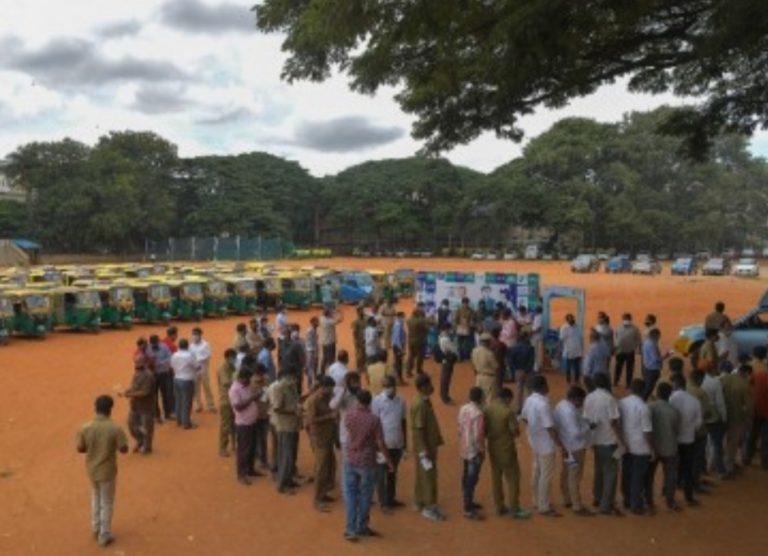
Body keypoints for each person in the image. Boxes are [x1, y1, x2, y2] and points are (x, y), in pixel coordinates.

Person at [76, 395, 129, 547]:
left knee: (95, 497)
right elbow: (124, 449)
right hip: (107, 471)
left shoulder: (86, 427)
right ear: (110, 409)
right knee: (106, 502)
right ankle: (104, 535)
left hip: (91, 469)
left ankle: (96, 527)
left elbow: (80, 448)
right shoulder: (115, 428)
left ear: (95, 408)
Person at [343, 389, 394, 542]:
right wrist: (389, 460)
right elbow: (380, 442)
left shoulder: (349, 416)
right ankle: (362, 526)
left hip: (351, 458)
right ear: (370, 402)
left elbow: (349, 434)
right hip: (367, 461)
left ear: (357, 401)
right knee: (365, 495)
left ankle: (351, 529)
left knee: (351, 495)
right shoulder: (374, 420)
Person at [483, 387, 530, 519]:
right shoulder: (508, 412)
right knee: (513, 478)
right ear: (507, 398)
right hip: (506, 448)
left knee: (496, 477)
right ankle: (514, 507)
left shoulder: (488, 408)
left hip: (493, 447)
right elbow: (514, 431)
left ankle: (499, 506)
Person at [583, 372, 625, 516]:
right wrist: (621, 441)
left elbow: (587, 419)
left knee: (599, 469)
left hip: (596, 440)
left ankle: (598, 497)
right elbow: (614, 422)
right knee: (611, 473)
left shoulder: (589, 397)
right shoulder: (609, 399)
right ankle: (606, 504)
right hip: (609, 440)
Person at [521, 375, 562, 517]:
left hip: (534, 440)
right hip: (546, 443)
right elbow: (549, 427)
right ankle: (544, 506)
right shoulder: (543, 404)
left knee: (537, 470)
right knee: (546, 474)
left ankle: (536, 500)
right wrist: (559, 442)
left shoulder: (529, 400)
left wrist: (534, 429)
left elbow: (525, 418)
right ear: (544, 386)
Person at [553, 385, 592, 516]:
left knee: (566, 473)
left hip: (566, 447)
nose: (582, 404)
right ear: (575, 399)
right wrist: (589, 426)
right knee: (575, 476)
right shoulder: (570, 412)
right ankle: (577, 505)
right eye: (581, 400)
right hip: (576, 448)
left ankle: (567, 499)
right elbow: (576, 433)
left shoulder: (560, 405)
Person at [411, 374, 445, 521]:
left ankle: (419, 501)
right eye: (429, 384)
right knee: (428, 476)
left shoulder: (423, 400)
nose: (432, 387)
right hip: (425, 447)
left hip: (425, 446)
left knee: (422, 474)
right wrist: (425, 450)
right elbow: (419, 429)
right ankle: (430, 507)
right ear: (423, 387)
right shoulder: (420, 404)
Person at [619, 378, 654, 515]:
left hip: (626, 444)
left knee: (627, 473)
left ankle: (627, 500)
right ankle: (636, 505)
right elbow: (647, 431)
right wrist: (652, 449)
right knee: (638, 477)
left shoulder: (622, 403)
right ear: (643, 391)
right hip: (640, 446)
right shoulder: (643, 407)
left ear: (630, 389)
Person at [372, 375, 407, 512]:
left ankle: (391, 498)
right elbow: (374, 423)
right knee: (381, 474)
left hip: (397, 442)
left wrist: (405, 443)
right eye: (386, 386)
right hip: (382, 444)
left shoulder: (401, 401)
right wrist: (375, 443)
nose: (389, 389)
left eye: (391, 386)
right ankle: (383, 502)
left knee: (393, 472)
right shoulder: (377, 401)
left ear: (395, 386)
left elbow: (403, 421)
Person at [647, 382, 682, 511]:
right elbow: (677, 430)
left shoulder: (650, 407)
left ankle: (648, 500)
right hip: (669, 447)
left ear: (657, 393)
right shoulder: (674, 411)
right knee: (670, 475)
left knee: (649, 475)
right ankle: (670, 500)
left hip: (652, 447)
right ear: (669, 394)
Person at [669, 373, 703, 506]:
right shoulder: (694, 401)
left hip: (674, 439)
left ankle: (669, 494)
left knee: (671, 467)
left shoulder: (671, 398)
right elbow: (698, 423)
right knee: (688, 468)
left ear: (675, 384)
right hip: (689, 439)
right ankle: (689, 496)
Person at [305, 376, 337, 511]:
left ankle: (323, 493)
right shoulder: (314, 400)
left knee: (330, 466)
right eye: (330, 388)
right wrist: (329, 416)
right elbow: (311, 420)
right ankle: (317, 499)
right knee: (321, 468)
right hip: (319, 437)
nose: (331, 390)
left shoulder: (328, 397)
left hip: (328, 435)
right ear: (323, 387)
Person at [458, 387, 486, 519]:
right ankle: (468, 508)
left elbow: (459, 426)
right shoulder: (479, 413)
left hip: (464, 447)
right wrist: (481, 450)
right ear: (480, 398)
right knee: (472, 478)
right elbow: (478, 436)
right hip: (474, 451)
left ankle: (468, 501)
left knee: (466, 477)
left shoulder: (463, 409)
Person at [272, 370, 302, 494]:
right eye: (293, 377)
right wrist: (293, 412)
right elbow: (277, 408)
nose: (295, 380)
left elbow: (296, 401)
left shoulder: (292, 387)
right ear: (287, 376)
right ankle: (282, 485)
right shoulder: (280, 388)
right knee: (286, 455)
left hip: (293, 425)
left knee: (291, 455)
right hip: (285, 426)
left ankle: (289, 479)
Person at [229, 369, 261, 485]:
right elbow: (238, 407)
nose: (249, 381)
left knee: (252, 448)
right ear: (242, 378)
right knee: (243, 450)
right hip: (243, 423)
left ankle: (250, 469)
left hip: (252, 421)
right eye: (248, 379)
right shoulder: (234, 389)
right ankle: (241, 474)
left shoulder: (246, 386)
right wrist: (253, 398)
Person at [721, 364, 753, 475]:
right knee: (732, 443)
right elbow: (748, 406)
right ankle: (728, 467)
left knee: (719, 441)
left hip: (721, 416)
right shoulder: (744, 384)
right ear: (747, 373)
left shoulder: (723, 379)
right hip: (736, 417)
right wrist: (748, 419)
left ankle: (715, 464)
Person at [121, 360, 156, 454]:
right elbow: (134, 387)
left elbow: (145, 392)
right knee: (132, 425)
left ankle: (147, 446)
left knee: (147, 427)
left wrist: (130, 394)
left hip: (146, 406)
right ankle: (140, 441)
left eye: (139, 364)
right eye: (136, 364)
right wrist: (127, 391)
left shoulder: (148, 376)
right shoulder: (136, 374)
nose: (137, 366)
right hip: (135, 405)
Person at [701, 359, 728, 478]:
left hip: (701, 416)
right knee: (716, 443)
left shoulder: (697, 381)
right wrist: (724, 417)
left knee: (705, 442)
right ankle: (719, 469)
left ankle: (706, 466)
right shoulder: (715, 382)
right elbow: (720, 402)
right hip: (714, 417)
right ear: (712, 369)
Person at [746, 347, 768, 469]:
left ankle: (747, 458)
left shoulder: (749, 368)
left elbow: (746, 386)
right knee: (766, 437)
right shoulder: (766, 368)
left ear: (753, 354)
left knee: (752, 434)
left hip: (754, 407)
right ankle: (765, 462)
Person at [171, 339, 198, 429]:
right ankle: (186, 423)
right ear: (187, 346)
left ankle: (179, 420)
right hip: (187, 380)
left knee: (178, 400)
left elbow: (172, 366)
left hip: (176, 379)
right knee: (187, 402)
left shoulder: (174, 355)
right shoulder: (189, 355)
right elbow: (196, 366)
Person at [507, 330, 535, 412]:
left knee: (519, 390)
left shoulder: (514, 348)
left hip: (518, 371)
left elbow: (510, 361)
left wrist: (515, 370)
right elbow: (531, 361)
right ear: (526, 337)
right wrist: (526, 370)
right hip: (528, 372)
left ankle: (518, 408)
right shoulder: (530, 348)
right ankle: (528, 409)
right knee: (528, 390)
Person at [148, 334, 174, 422]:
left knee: (165, 394)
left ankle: (167, 413)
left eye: (155, 343)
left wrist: (160, 363)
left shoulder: (164, 347)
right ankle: (156, 415)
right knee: (153, 396)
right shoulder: (148, 348)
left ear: (158, 341)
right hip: (153, 375)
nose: (153, 345)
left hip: (163, 374)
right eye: (152, 343)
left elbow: (170, 358)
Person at [190, 327, 216, 413]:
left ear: (200, 335)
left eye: (196, 334)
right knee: (196, 388)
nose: (194, 336)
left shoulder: (205, 344)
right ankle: (198, 405)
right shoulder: (191, 346)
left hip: (203, 368)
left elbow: (208, 355)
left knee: (206, 386)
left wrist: (198, 361)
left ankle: (211, 405)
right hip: (195, 370)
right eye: (193, 334)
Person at [217, 349, 238, 457]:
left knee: (234, 423)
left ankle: (234, 444)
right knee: (225, 425)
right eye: (234, 357)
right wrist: (237, 382)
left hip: (233, 398)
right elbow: (225, 382)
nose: (235, 359)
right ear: (228, 357)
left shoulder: (232, 366)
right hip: (225, 399)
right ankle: (222, 448)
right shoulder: (223, 367)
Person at [614, 313, 642, 388]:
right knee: (621, 368)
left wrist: (635, 347)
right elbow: (639, 339)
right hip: (623, 351)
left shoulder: (633, 329)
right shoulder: (633, 328)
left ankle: (625, 383)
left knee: (624, 368)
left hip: (626, 351)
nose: (626, 320)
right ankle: (618, 382)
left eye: (627, 319)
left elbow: (639, 340)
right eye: (625, 319)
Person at [641, 328, 668, 400]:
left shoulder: (646, 341)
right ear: (655, 335)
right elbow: (655, 359)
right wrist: (666, 356)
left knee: (648, 385)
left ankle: (646, 397)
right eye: (659, 336)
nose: (659, 338)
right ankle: (643, 399)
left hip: (647, 367)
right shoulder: (652, 344)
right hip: (652, 369)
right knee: (649, 387)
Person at [472, 332, 499, 405]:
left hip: (479, 376)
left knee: (479, 398)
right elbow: (496, 366)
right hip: (489, 377)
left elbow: (473, 363)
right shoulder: (489, 353)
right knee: (489, 398)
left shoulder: (474, 351)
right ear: (488, 342)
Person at [559, 314, 583, 384]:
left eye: (572, 318)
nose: (572, 320)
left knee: (577, 366)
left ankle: (577, 379)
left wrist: (581, 348)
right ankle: (568, 380)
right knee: (568, 367)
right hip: (569, 349)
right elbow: (561, 339)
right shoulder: (564, 327)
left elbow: (580, 337)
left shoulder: (577, 326)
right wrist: (560, 349)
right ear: (567, 320)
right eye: (570, 319)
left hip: (577, 349)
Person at [438, 323, 458, 404]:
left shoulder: (440, 336)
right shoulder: (445, 339)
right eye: (449, 329)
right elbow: (454, 349)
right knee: (446, 379)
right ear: (446, 329)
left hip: (445, 359)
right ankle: (445, 397)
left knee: (445, 378)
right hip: (448, 360)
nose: (451, 330)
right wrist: (455, 341)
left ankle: (444, 395)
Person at [406, 305, 429, 376]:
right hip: (419, 341)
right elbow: (426, 329)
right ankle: (419, 370)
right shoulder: (420, 322)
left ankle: (408, 371)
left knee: (411, 356)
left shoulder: (409, 320)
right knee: (420, 356)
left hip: (410, 340)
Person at [319, 308, 343, 373]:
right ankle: (332, 372)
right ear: (328, 315)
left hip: (324, 342)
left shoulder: (322, 319)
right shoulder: (329, 321)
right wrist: (340, 312)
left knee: (325, 358)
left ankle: (322, 372)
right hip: (330, 342)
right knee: (331, 359)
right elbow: (340, 319)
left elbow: (328, 315)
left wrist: (333, 312)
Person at [454, 297, 475, 361]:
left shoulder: (471, 310)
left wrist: (471, 322)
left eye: (466, 303)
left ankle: (466, 356)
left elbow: (473, 319)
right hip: (460, 328)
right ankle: (460, 356)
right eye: (464, 303)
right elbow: (455, 320)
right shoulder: (458, 310)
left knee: (467, 344)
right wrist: (458, 325)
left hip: (468, 328)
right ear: (462, 303)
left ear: (468, 303)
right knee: (459, 343)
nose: (465, 304)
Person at [391, 311, 407, 383]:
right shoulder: (398, 324)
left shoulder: (397, 323)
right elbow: (397, 337)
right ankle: (399, 379)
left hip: (397, 345)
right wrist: (401, 348)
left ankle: (397, 377)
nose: (404, 318)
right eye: (403, 316)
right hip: (398, 346)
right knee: (399, 363)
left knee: (398, 362)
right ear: (400, 316)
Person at [352, 305, 368, 372]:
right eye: (360, 310)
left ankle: (364, 366)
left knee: (365, 353)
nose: (362, 311)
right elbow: (354, 332)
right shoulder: (355, 321)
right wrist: (356, 340)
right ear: (358, 312)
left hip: (365, 339)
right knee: (359, 355)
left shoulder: (366, 318)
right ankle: (359, 368)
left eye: (362, 310)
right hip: (359, 340)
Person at [305, 316, 320, 389]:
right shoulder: (310, 331)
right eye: (317, 322)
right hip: (311, 352)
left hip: (313, 351)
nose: (318, 323)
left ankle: (311, 383)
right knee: (310, 367)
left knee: (313, 367)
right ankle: (312, 383)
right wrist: (314, 353)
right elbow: (310, 343)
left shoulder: (314, 330)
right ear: (313, 322)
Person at [531, 307, 544, 373]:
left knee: (536, 352)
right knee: (537, 353)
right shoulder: (539, 317)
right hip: (537, 336)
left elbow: (539, 328)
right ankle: (537, 367)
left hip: (536, 337)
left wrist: (531, 333)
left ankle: (536, 368)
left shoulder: (539, 317)